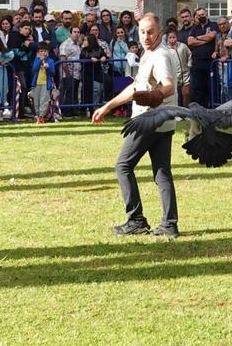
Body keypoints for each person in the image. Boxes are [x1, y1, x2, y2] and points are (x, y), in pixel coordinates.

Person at [92, 13, 179, 238]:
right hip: (164, 122)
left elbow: (168, 86)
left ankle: (136, 220)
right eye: (142, 32)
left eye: (150, 32)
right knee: (162, 173)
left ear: (159, 32)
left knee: (123, 165)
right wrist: (109, 106)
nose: (146, 36)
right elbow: (134, 88)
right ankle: (169, 225)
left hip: (149, 120)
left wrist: (154, 96)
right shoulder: (149, 53)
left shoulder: (160, 55)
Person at [186, 7, 218, 107]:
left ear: (206, 14)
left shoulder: (213, 24)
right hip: (197, 62)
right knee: (197, 88)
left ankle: (211, 109)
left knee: (210, 87)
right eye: (199, 15)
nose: (201, 17)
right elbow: (190, 41)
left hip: (210, 62)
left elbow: (212, 35)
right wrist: (206, 39)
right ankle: (199, 109)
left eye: (202, 15)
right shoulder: (195, 27)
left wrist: (198, 38)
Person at [58, 26, 82, 117]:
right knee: (68, 92)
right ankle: (67, 111)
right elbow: (63, 60)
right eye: (74, 31)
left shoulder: (77, 45)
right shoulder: (65, 44)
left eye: (78, 32)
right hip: (67, 73)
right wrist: (68, 74)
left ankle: (73, 110)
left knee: (74, 92)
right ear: (70, 33)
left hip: (76, 73)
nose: (76, 34)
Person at [165, 28, 192, 106]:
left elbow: (189, 54)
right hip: (174, 76)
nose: (172, 40)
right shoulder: (166, 50)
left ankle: (187, 111)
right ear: (167, 38)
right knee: (176, 96)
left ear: (177, 37)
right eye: (170, 38)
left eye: (174, 37)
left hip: (185, 75)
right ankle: (177, 112)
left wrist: (189, 64)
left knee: (186, 93)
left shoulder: (183, 46)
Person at [29, 42, 55, 123]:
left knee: (44, 100)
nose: (43, 53)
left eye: (45, 51)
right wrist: (40, 60)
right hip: (36, 83)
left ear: (48, 52)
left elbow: (52, 73)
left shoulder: (50, 61)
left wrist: (48, 68)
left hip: (45, 84)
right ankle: (37, 115)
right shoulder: (36, 60)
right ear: (38, 52)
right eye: (41, 51)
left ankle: (42, 116)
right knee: (36, 100)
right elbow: (34, 70)